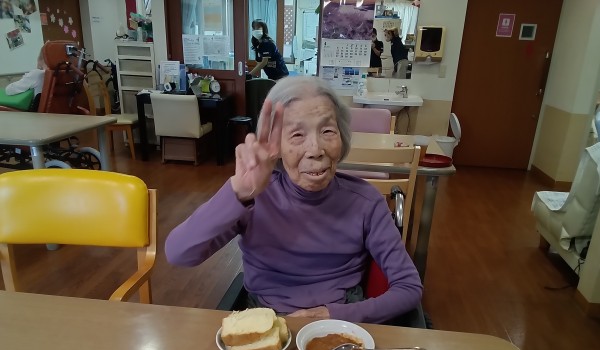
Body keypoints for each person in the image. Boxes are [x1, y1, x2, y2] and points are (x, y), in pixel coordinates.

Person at [165, 77, 423, 324]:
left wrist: (336, 316)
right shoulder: (254, 197)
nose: (315, 150)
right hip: (266, 319)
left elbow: (409, 287)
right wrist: (238, 193)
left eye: (327, 131)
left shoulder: (366, 202)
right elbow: (179, 254)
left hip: (341, 320)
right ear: (275, 145)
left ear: (342, 137)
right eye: (297, 135)